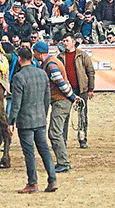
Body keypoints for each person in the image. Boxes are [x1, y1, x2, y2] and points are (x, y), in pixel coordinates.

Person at [7, 46, 58, 194]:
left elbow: (16, 103)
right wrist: (44, 113)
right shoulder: (42, 74)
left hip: (25, 121)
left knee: (29, 152)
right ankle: (52, 179)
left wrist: (11, 122)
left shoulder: (18, 77)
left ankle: (32, 183)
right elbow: (47, 97)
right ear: (31, 58)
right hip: (40, 118)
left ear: (20, 59)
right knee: (44, 150)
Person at [31, 40, 80, 173]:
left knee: (54, 133)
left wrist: (72, 97)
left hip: (61, 101)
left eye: (34, 51)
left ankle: (63, 163)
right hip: (60, 100)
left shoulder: (50, 65)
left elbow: (61, 83)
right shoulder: (51, 62)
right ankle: (62, 162)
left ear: (39, 53)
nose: (33, 53)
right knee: (56, 132)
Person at [57, 34, 95, 148]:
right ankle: (63, 141)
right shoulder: (60, 57)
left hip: (81, 88)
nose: (65, 43)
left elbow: (90, 72)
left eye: (67, 40)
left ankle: (82, 140)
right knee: (64, 115)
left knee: (82, 115)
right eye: (63, 41)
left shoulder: (82, 55)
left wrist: (91, 89)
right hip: (66, 90)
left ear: (73, 42)